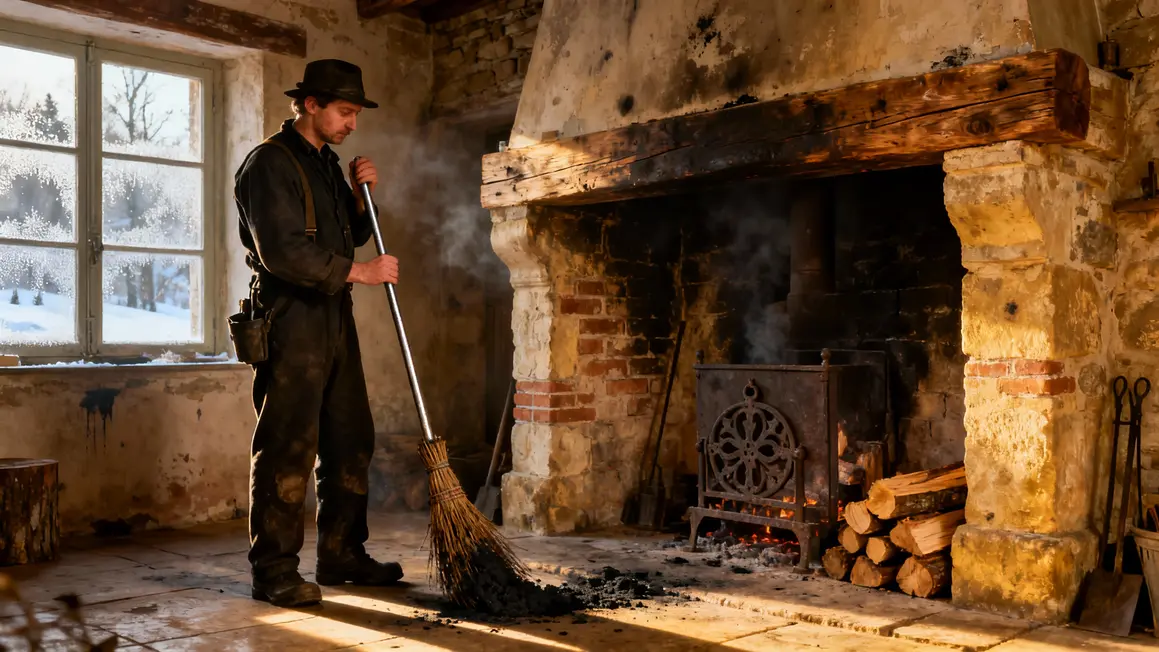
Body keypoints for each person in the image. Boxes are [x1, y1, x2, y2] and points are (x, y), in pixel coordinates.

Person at [233, 59, 404, 607]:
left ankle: (341, 553)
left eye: (355, 113)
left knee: (350, 435)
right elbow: (281, 251)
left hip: (333, 312)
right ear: (310, 104)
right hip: (290, 315)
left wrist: (361, 195)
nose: (353, 123)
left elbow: (349, 236)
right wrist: (361, 273)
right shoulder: (268, 164)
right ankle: (275, 571)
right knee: (288, 444)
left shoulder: (328, 165)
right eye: (345, 111)